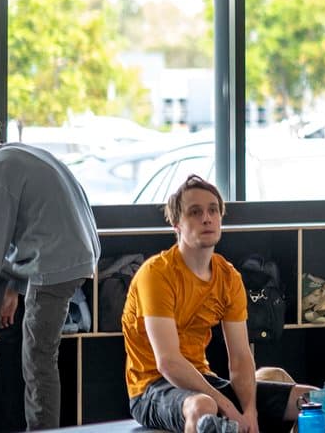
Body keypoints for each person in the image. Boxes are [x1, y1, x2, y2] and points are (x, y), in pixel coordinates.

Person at [121, 175, 315, 433]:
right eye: (195, 212)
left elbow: (240, 356)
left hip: (203, 380)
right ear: (177, 224)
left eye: (213, 210)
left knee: (312, 400)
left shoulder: (228, 276)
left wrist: (250, 411)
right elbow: (168, 362)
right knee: (203, 406)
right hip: (151, 388)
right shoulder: (156, 274)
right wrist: (230, 408)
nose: (207, 218)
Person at [0, 118, 101, 430]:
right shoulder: (15, 155)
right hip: (75, 255)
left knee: (38, 359)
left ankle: (43, 431)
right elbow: (28, 226)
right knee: (35, 354)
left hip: (56, 265)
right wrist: (13, 285)